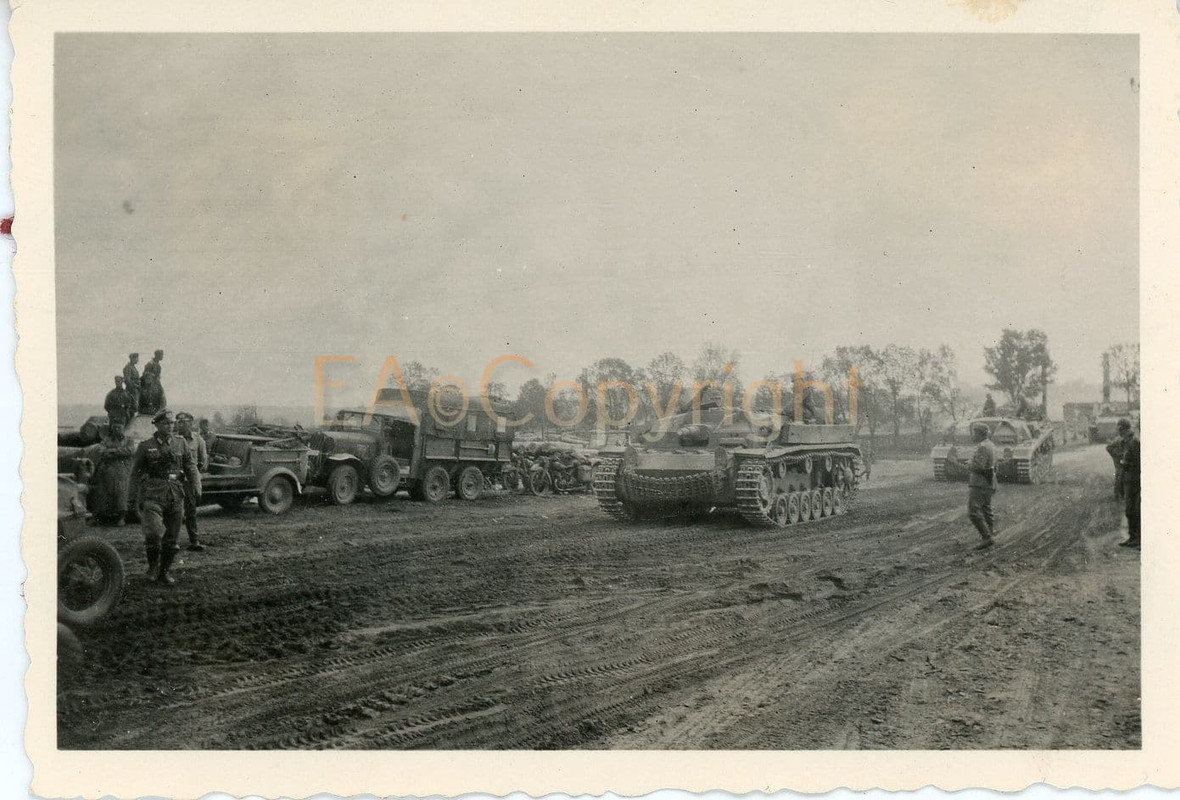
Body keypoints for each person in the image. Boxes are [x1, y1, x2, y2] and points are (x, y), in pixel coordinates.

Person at [128, 409, 201, 585]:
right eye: (165, 423)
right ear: (157, 425)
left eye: (171, 423)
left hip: (175, 494)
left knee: (172, 539)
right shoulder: (146, 446)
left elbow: (190, 466)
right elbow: (135, 474)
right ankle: (153, 567)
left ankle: (164, 572)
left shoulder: (180, 443)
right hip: (153, 494)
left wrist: (197, 484)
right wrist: (131, 498)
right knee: (153, 533)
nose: (169, 426)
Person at [86, 417, 136, 525]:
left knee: (121, 494)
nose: (117, 429)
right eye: (115, 427)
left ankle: (121, 518)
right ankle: (98, 517)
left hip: (122, 470)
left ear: (123, 428)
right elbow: (101, 450)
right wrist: (113, 452)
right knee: (102, 493)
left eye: (119, 427)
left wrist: (113, 451)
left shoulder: (129, 439)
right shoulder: (107, 439)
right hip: (107, 469)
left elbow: (130, 450)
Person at [175, 411, 209, 551]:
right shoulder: (173, 439)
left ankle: (194, 540)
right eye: (179, 422)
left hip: (189, 480)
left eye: (184, 422)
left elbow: (203, 462)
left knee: (191, 512)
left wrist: (194, 475)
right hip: (175, 480)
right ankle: (173, 541)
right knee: (174, 513)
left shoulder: (198, 440)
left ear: (191, 423)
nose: (181, 424)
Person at [965, 421, 998, 549]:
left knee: (973, 511)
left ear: (979, 434)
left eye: (974, 433)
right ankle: (989, 533)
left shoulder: (983, 447)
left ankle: (987, 537)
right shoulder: (991, 445)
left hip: (980, 483)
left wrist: (969, 463)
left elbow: (978, 466)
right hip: (989, 481)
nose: (972, 435)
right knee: (986, 509)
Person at [1117, 418, 1140, 549]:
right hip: (1128, 480)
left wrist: (1125, 463)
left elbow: (1137, 462)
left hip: (1134, 480)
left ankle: (1136, 538)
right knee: (1129, 510)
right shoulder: (1127, 442)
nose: (1119, 432)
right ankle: (1132, 537)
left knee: (1133, 510)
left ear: (1124, 429)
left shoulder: (1134, 442)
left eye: (1120, 429)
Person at [1105, 433, 1127, 500]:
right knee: (1119, 478)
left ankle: (1122, 495)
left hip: (1124, 461)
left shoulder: (1127, 439)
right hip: (1120, 462)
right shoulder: (1118, 440)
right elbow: (1108, 447)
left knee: (1123, 478)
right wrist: (1116, 455)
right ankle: (1117, 496)